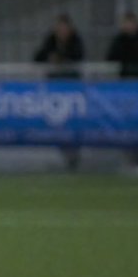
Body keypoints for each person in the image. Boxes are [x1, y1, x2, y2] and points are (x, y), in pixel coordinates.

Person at [33, 14, 84, 171]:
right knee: (56, 125)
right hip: (54, 91)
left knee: (72, 124)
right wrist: (50, 57)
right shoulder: (50, 41)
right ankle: (66, 156)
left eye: (64, 27)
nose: (62, 31)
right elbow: (37, 57)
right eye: (59, 28)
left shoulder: (76, 41)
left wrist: (62, 58)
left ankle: (73, 155)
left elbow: (79, 56)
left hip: (71, 91)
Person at [106, 12, 138, 168]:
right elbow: (111, 57)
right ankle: (130, 158)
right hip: (125, 88)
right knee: (127, 123)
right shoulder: (120, 39)